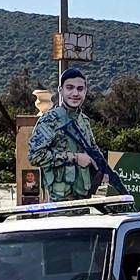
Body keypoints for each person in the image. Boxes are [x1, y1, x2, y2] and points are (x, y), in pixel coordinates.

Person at [26, 68, 103, 201]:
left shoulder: (84, 121)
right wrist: (74, 158)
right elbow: (35, 156)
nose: (75, 93)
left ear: (85, 91)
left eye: (80, 89)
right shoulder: (50, 120)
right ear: (60, 90)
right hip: (59, 202)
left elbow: (93, 150)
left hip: (83, 198)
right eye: (70, 88)